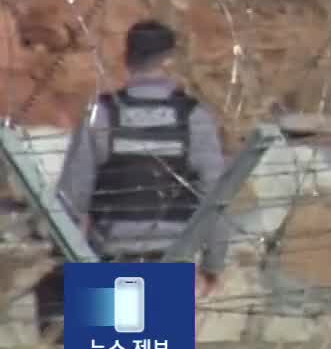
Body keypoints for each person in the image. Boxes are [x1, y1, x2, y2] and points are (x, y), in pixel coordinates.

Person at [55, 19, 228, 297]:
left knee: (111, 340)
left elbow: (71, 196)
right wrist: (213, 263)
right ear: (170, 60)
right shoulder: (195, 117)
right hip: (174, 260)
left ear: (127, 58)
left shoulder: (101, 114)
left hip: (109, 260)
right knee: (160, 341)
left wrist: (62, 255)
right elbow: (216, 196)